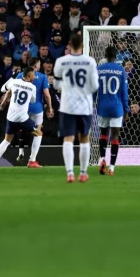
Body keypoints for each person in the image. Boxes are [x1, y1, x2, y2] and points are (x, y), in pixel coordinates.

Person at [53, 34, 99, 183]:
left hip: (67, 106)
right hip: (85, 106)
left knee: (68, 138)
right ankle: (83, 173)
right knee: (84, 138)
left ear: (70, 45)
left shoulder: (61, 61)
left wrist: (67, 88)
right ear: (83, 46)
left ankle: (70, 173)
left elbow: (56, 85)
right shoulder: (90, 61)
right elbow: (95, 86)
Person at [0, 67, 42, 168]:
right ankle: (32, 161)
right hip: (22, 118)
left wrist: (4, 102)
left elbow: (6, 90)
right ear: (28, 75)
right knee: (39, 134)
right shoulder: (32, 87)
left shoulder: (13, 82)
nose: (34, 77)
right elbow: (33, 101)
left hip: (11, 117)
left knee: (6, 140)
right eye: (33, 75)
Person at [97, 46, 129, 176]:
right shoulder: (121, 70)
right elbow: (124, 92)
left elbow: (94, 89)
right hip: (117, 107)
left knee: (103, 133)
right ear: (115, 57)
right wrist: (126, 109)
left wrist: (93, 104)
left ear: (105, 56)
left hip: (103, 106)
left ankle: (102, 159)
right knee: (115, 135)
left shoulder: (98, 69)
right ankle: (112, 168)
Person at [14, 57, 52, 167]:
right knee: (37, 133)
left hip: (22, 109)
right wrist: (50, 107)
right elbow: (46, 95)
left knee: (20, 129)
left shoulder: (20, 75)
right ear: (36, 66)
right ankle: (32, 159)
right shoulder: (43, 77)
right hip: (37, 109)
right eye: (39, 64)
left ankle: (21, 151)